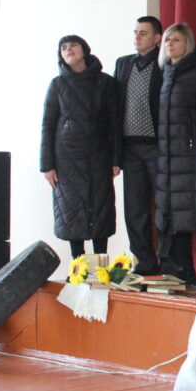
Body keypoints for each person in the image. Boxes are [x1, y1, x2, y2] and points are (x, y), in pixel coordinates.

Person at [40, 35, 119, 259]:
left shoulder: (105, 82)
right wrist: (47, 166)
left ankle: (101, 266)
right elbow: (47, 126)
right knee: (71, 210)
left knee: (101, 208)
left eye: (73, 45)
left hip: (99, 155)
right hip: (66, 160)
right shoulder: (57, 85)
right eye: (63, 47)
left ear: (84, 49)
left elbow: (114, 123)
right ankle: (78, 268)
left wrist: (116, 158)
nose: (68, 49)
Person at [154, 23, 196, 285]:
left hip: (192, 153)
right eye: (168, 40)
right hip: (168, 156)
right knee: (174, 214)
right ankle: (184, 271)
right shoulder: (166, 74)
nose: (170, 44)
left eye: (176, 40)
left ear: (187, 43)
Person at [113, 16, 163, 276]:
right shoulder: (123, 64)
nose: (137, 37)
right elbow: (114, 108)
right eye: (135, 32)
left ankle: (169, 259)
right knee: (134, 208)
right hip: (129, 148)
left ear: (157, 38)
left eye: (143, 33)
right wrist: (114, 154)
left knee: (164, 206)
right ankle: (144, 261)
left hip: (157, 147)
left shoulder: (164, 63)